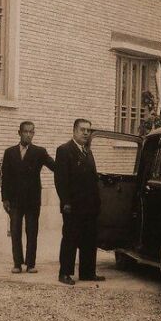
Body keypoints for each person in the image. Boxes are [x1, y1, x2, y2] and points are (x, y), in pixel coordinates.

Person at [0, 121, 56, 274]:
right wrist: (5, 199)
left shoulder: (39, 152)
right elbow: (5, 178)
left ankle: (31, 264)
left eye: (31, 132)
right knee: (15, 230)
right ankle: (17, 264)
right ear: (19, 133)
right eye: (25, 131)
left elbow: (55, 166)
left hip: (32, 200)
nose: (28, 135)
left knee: (32, 231)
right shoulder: (9, 152)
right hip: (15, 200)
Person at [54, 117, 104, 284]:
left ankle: (87, 272)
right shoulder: (64, 150)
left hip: (89, 206)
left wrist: (97, 202)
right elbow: (60, 180)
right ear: (74, 131)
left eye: (88, 130)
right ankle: (65, 274)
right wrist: (66, 202)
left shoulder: (87, 150)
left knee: (89, 239)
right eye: (82, 130)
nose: (85, 133)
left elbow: (93, 178)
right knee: (70, 239)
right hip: (73, 206)